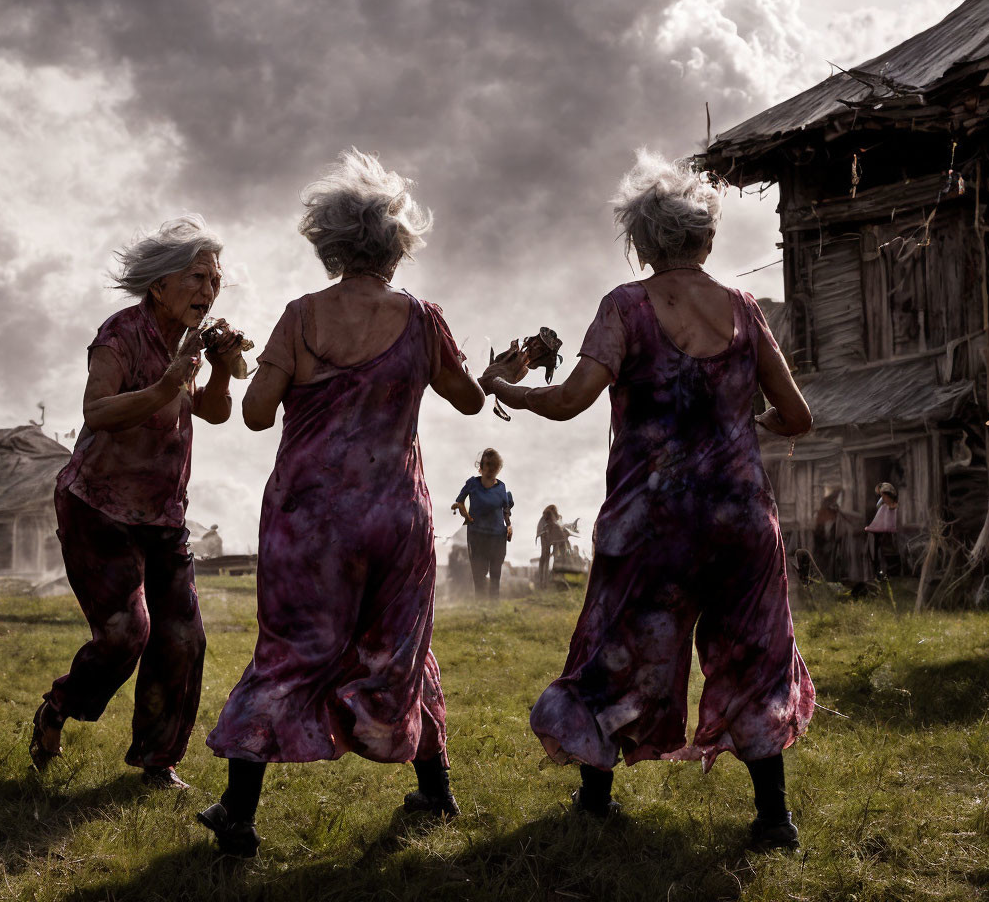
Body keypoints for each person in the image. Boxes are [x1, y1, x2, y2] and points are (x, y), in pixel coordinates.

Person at [480, 150, 815, 851]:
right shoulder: (743, 308)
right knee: (753, 655)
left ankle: (596, 802)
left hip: (652, 522)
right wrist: (735, 430)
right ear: (707, 237)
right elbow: (796, 415)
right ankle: (774, 819)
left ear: (641, 242)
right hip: (739, 517)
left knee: (620, 651)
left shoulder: (626, 306)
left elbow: (572, 400)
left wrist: (503, 389)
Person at [200, 148, 485, 857]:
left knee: (289, 653)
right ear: (397, 244)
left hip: (310, 517)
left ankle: (239, 814)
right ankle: (437, 788)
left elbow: (258, 414)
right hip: (396, 512)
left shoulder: (301, 317)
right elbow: (470, 398)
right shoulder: (422, 318)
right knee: (403, 648)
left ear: (327, 243)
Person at [30, 215, 246, 790]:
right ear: (159, 285)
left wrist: (221, 372)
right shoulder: (120, 335)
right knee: (127, 633)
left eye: (214, 280)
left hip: (163, 513)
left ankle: (156, 762)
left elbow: (215, 411)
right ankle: (58, 705)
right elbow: (96, 411)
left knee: (182, 638)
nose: (208, 291)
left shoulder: (192, 340)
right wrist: (163, 386)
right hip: (98, 508)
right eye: (197, 278)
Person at [451, 448, 514, 599]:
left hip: (498, 535)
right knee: (479, 573)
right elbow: (459, 501)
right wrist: (464, 512)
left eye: (495, 466)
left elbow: (505, 507)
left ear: (498, 468)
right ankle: (480, 605)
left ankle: (493, 606)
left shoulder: (501, 487)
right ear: (481, 465)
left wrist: (509, 525)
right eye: (488, 465)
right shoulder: (473, 483)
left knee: (495, 573)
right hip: (477, 534)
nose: (491, 469)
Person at [865, 482, 899, 579]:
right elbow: (878, 509)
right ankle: (879, 572)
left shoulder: (897, 508)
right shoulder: (883, 508)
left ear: (890, 495)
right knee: (878, 550)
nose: (883, 499)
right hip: (881, 534)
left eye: (884, 496)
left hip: (893, 535)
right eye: (881, 496)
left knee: (891, 551)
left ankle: (890, 572)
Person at [535, 504, 574, 589]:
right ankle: (543, 583)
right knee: (545, 557)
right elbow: (557, 528)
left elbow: (559, 528)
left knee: (548, 557)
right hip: (545, 534)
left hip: (550, 535)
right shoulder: (547, 516)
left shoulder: (552, 519)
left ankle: (549, 583)